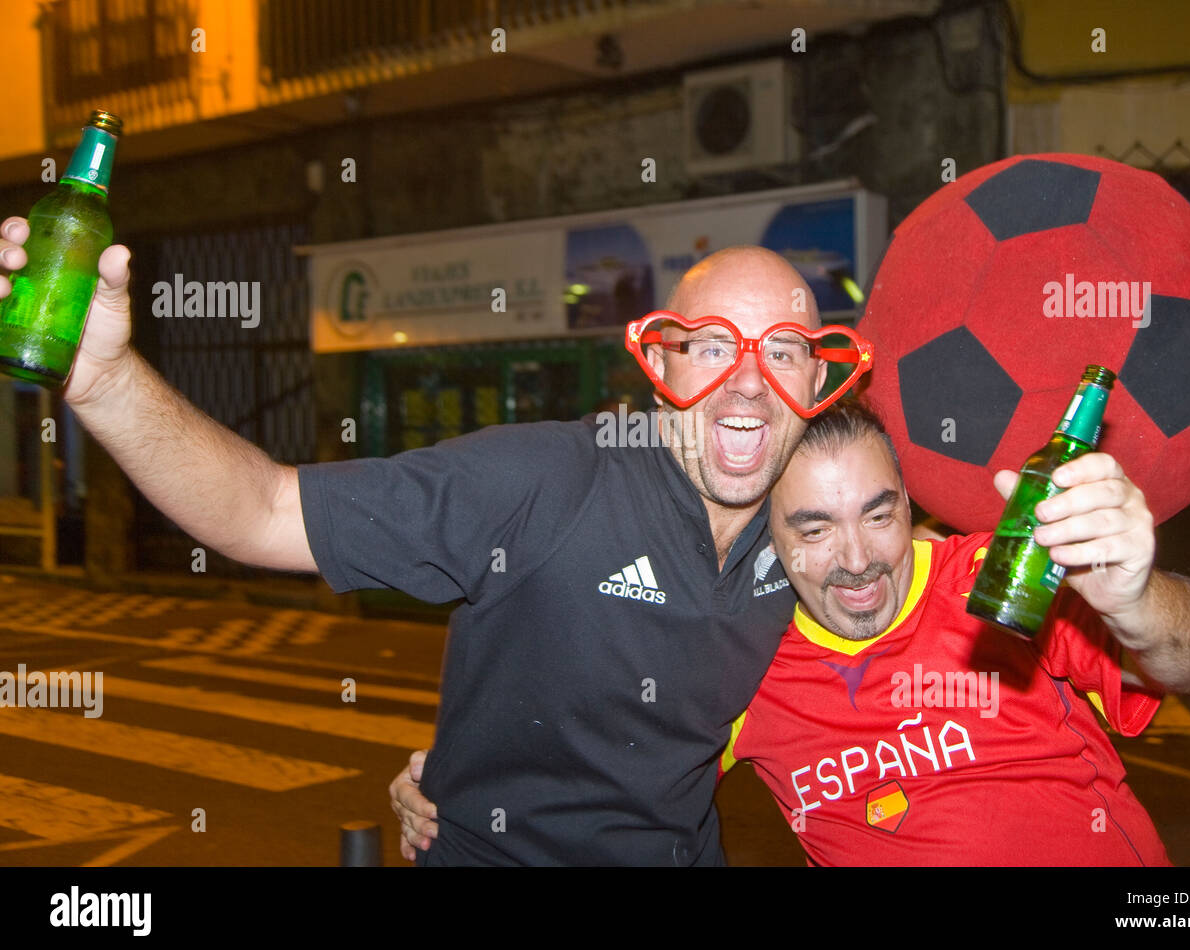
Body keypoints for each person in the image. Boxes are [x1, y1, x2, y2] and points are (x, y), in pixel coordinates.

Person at [0, 221, 832, 864]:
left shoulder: (819, 532)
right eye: (715, 346)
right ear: (662, 363)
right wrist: (105, 383)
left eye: (784, 352)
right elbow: (263, 510)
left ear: (818, 382)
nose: (749, 385)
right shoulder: (547, 479)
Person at [387, 407, 1190, 865]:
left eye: (879, 513)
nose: (858, 560)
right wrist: (455, 780)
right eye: (814, 528)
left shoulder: (999, 578)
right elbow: (594, 765)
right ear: (769, 539)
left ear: (911, 505)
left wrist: (1134, 599)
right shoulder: (746, 664)